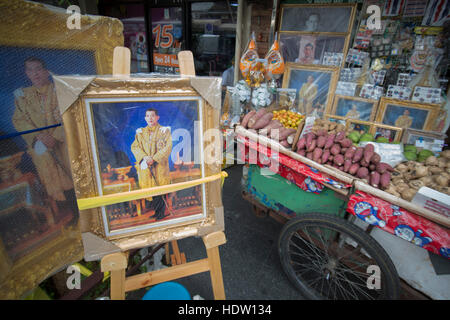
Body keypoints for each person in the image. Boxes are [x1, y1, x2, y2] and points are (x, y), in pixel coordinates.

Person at [12, 57, 74, 219]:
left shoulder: (59, 91)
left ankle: (80, 214)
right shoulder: (22, 96)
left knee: (70, 176)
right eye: (31, 70)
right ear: (27, 73)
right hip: (40, 145)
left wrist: (55, 137)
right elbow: (19, 120)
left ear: (46, 71)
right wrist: (38, 136)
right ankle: (69, 215)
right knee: (53, 181)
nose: (35, 73)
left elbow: (69, 115)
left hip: (62, 143)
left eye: (38, 69)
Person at [131, 108, 172, 220]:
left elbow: (168, 147)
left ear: (157, 117)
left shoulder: (164, 131)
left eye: (153, 115)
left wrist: (154, 158)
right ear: (145, 118)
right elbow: (135, 147)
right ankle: (157, 212)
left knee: (160, 189)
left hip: (159, 166)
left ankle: (161, 214)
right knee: (152, 189)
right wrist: (144, 157)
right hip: (147, 166)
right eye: (148, 116)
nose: (150, 118)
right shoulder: (140, 133)